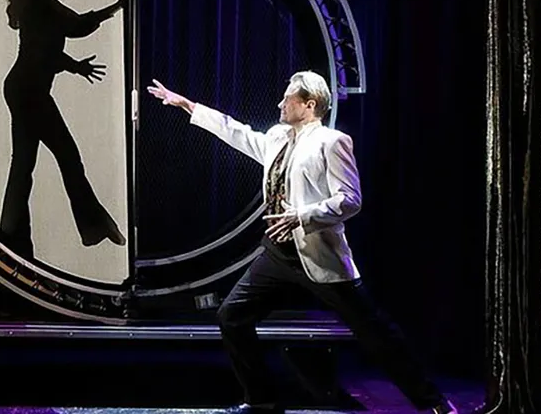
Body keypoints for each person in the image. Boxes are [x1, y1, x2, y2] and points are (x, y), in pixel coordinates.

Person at [147, 72, 457, 414]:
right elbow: (239, 134)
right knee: (232, 315)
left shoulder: (332, 142)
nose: (280, 104)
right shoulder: (279, 136)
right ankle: (261, 400)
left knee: (375, 333)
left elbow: (350, 199)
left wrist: (303, 215)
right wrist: (187, 105)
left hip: (318, 255)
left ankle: (433, 403)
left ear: (309, 105)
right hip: (278, 254)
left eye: (288, 98)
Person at [0, 0, 126, 259]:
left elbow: (43, 46)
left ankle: (13, 242)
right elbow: (73, 27)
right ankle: (91, 226)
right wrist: (116, 7)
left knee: (25, 166)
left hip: (25, 87)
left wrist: (73, 66)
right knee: (64, 157)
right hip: (29, 90)